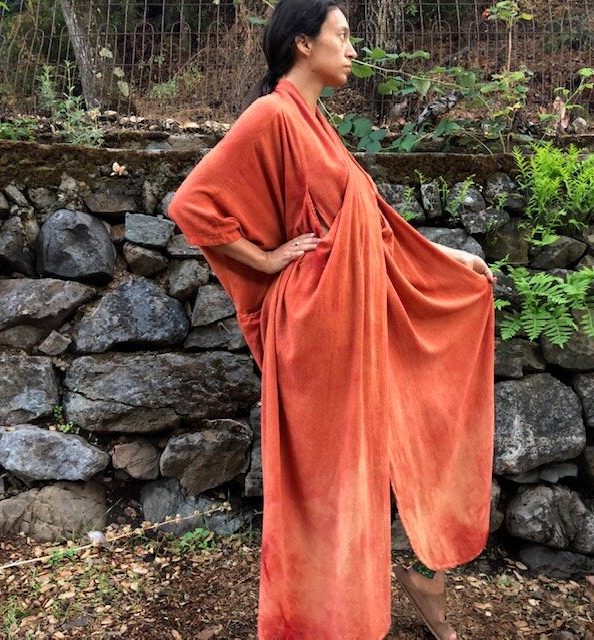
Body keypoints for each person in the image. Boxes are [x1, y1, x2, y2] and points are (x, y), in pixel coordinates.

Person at [167, 1, 497, 638]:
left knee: (404, 431)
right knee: (331, 476)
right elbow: (193, 204)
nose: (352, 50)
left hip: (357, 317)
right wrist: (266, 259)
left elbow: (370, 226)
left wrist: (449, 259)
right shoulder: (272, 115)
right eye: (341, 36)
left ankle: (423, 577)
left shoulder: (318, 123)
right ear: (302, 43)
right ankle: (322, 618)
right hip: (316, 327)